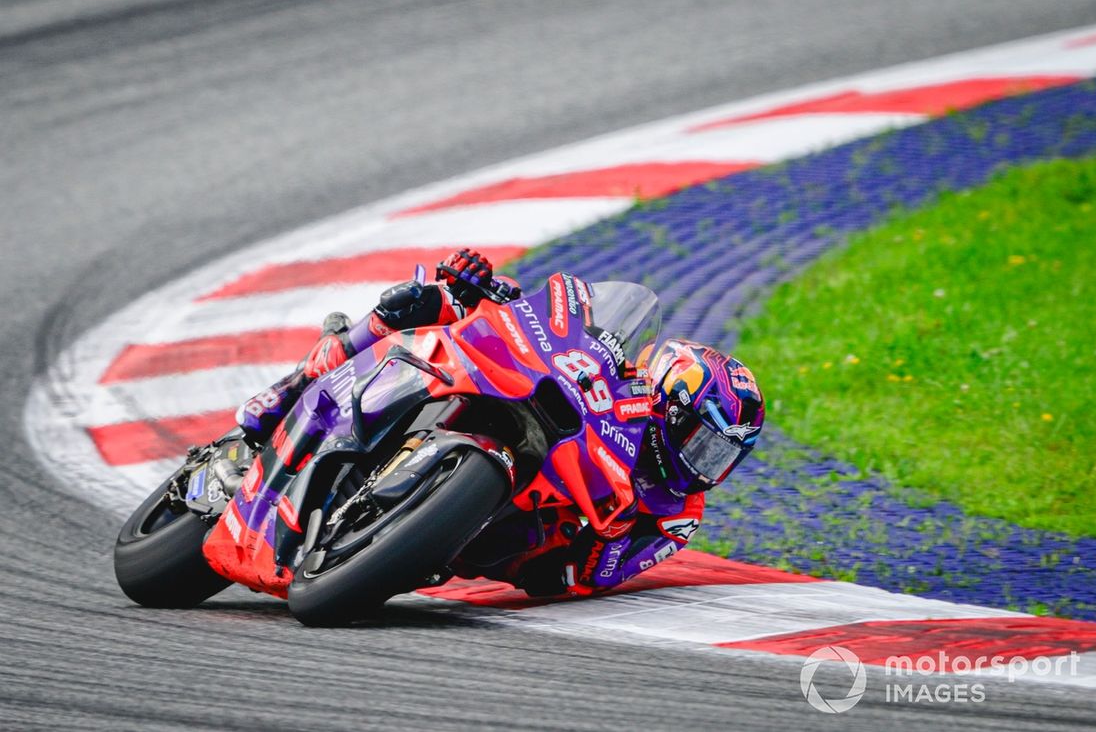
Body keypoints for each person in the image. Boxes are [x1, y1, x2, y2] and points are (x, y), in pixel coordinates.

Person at [235, 249, 765, 597]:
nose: (704, 464)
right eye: (702, 442)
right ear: (668, 400)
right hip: (528, 407)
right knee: (420, 304)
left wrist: (612, 534)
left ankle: (403, 536)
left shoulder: (679, 513)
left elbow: (599, 575)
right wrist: (484, 287)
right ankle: (298, 384)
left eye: (720, 456)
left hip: (519, 534)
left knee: (530, 547)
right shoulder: (626, 383)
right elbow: (561, 330)